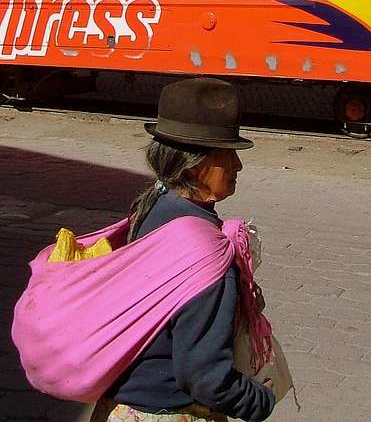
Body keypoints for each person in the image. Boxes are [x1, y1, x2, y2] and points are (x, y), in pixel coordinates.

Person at [95, 77, 276, 422]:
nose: (238, 166)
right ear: (196, 165)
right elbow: (205, 376)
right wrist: (259, 400)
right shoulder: (206, 254)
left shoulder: (153, 206)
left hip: (122, 405)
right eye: (228, 154)